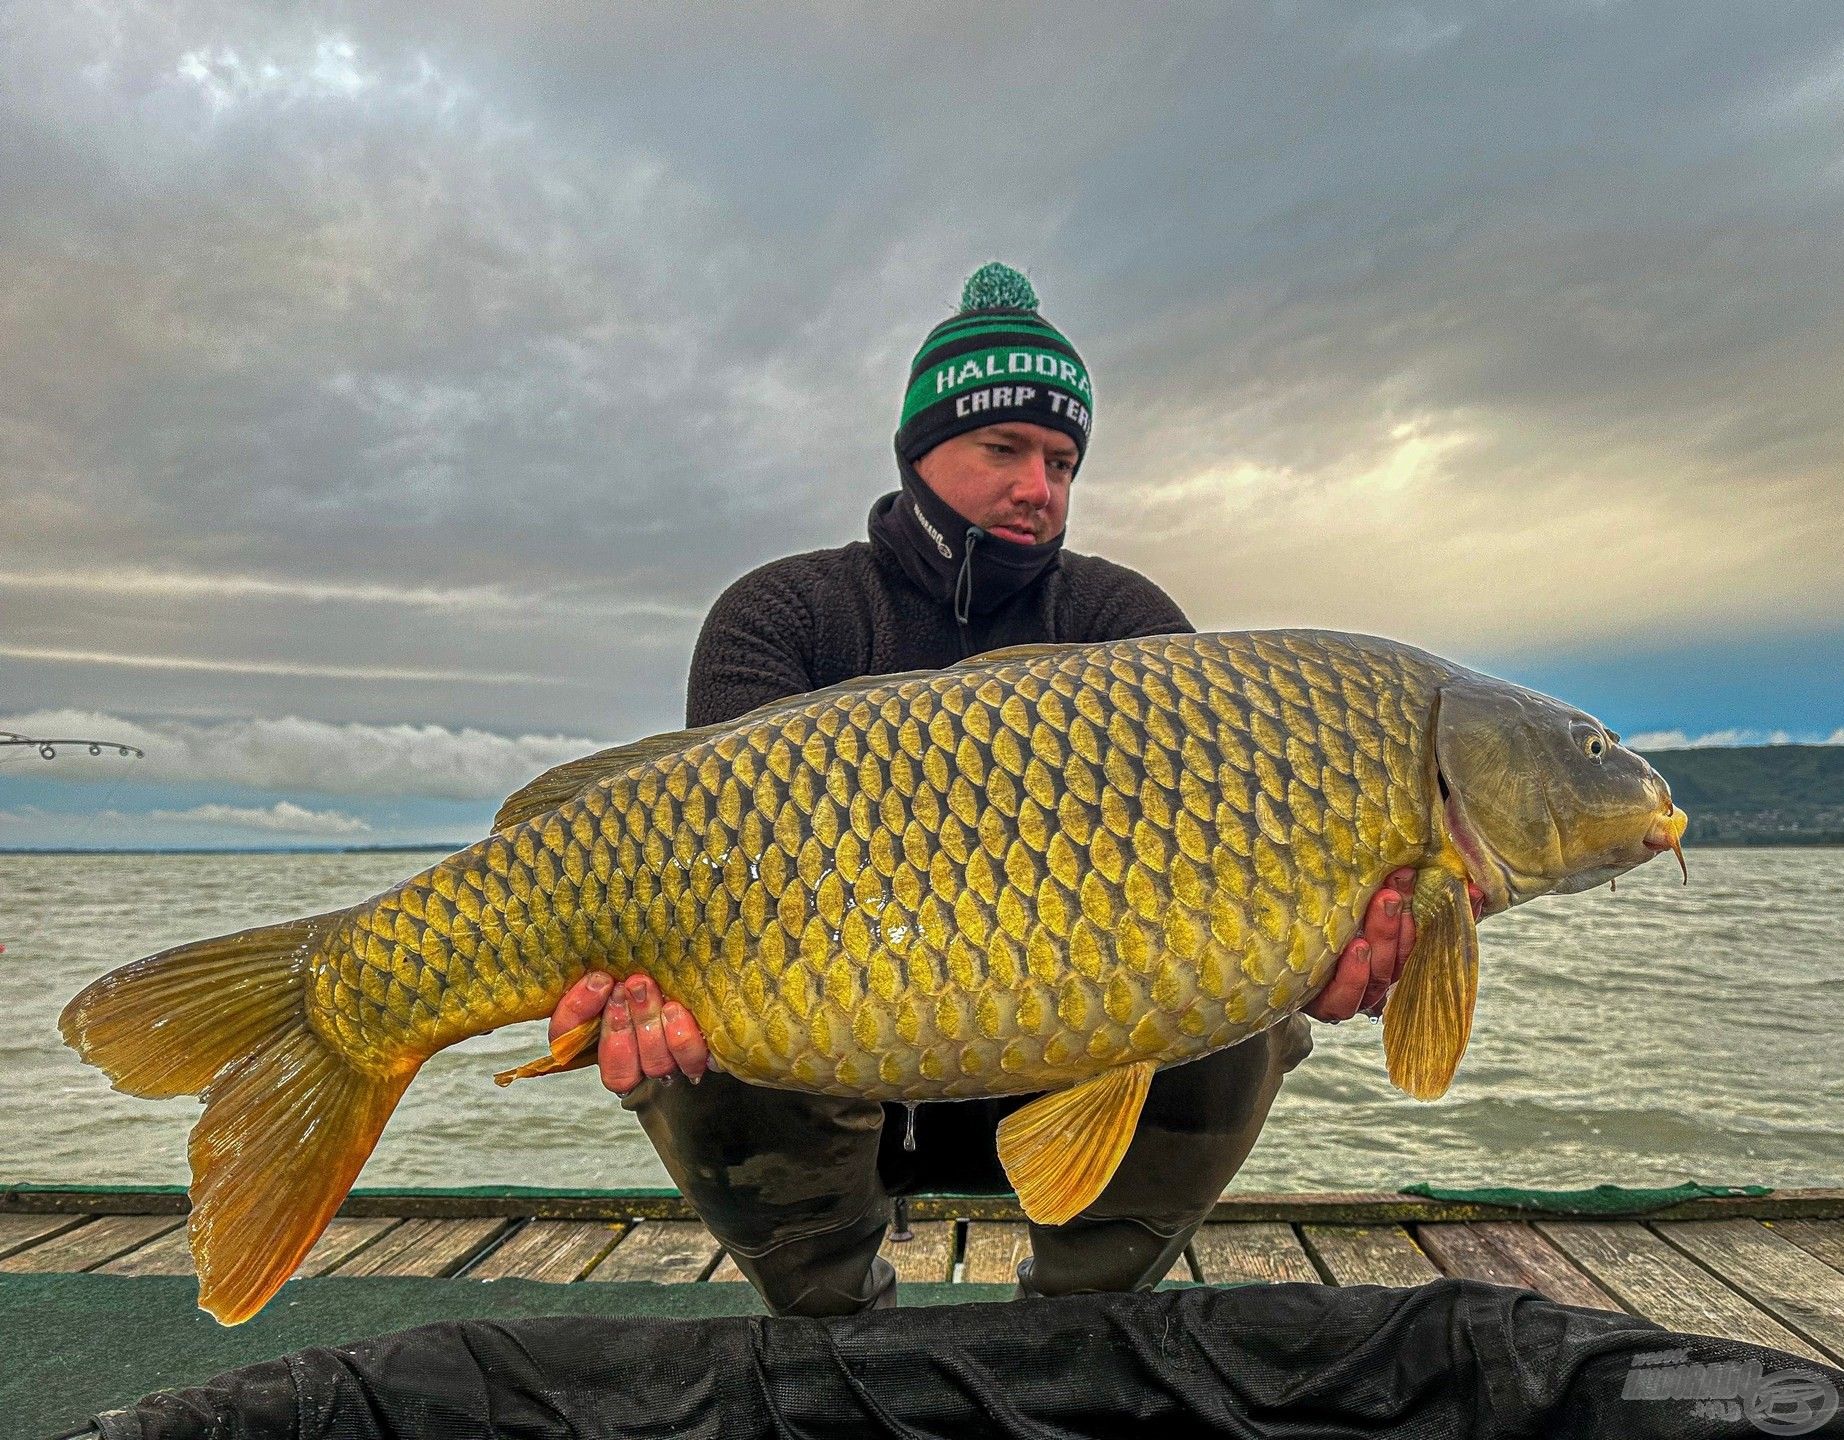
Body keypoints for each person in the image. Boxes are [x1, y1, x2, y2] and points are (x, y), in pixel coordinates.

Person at [545, 263, 1430, 1316]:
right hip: (830, 1063)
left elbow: (1212, 873)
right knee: (687, 1020)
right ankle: (825, 1311)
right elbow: (711, 868)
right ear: (918, 453)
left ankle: (1076, 1318)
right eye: (1001, 449)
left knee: (1241, 1005)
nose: (1036, 487)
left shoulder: (1124, 623)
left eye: (1061, 460)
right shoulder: (783, 614)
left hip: (1066, 1058)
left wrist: (1304, 953)